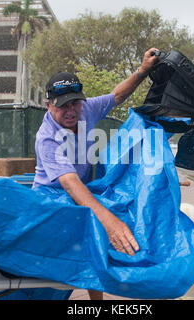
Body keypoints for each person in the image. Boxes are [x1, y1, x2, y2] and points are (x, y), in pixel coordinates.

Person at [32, 48, 159, 300]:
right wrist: (109, 221)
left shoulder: (86, 109)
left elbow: (117, 95)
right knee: (60, 262)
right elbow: (68, 183)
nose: (70, 111)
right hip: (50, 197)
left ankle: (95, 303)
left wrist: (143, 71)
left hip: (80, 188)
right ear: (48, 105)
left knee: (93, 245)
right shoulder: (46, 138)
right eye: (61, 106)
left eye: (74, 103)